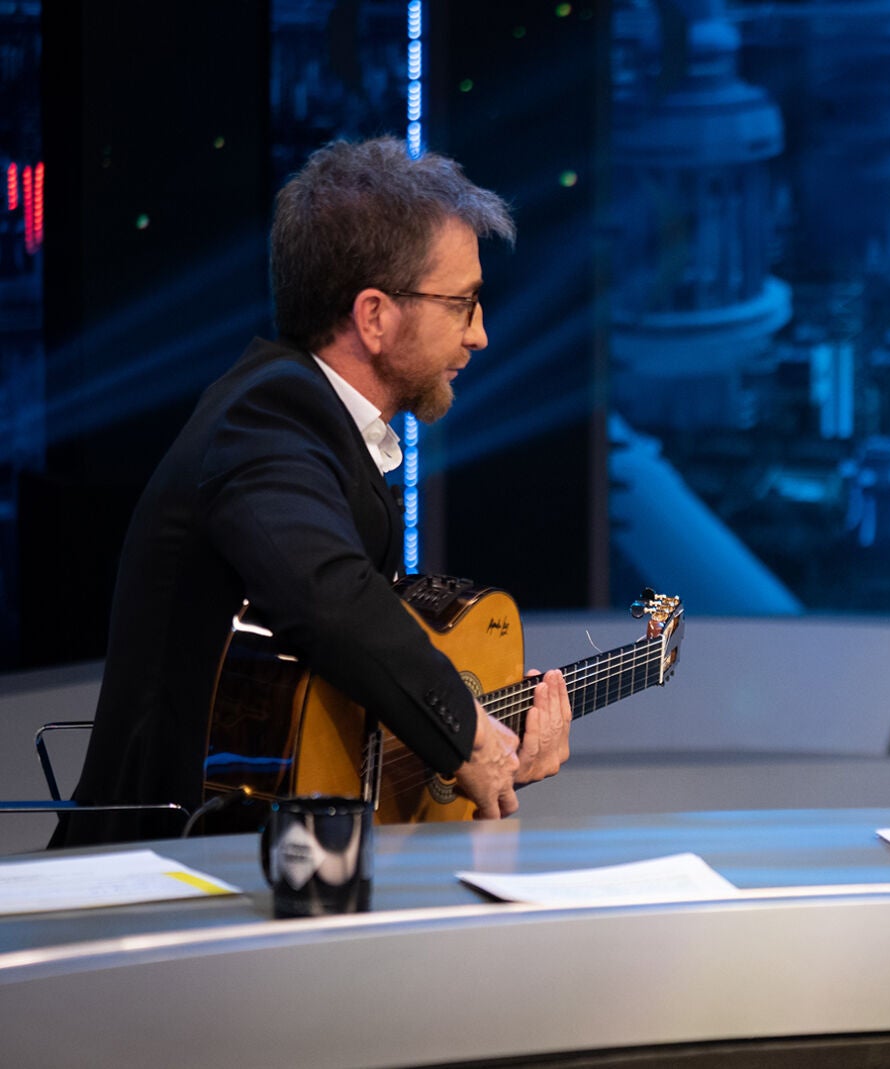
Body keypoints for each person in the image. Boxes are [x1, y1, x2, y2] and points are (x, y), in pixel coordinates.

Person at [53, 138, 572, 846]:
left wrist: (494, 733)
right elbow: (329, 598)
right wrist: (466, 732)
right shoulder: (265, 417)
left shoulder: (309, 424)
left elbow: (339, 698)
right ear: (374, 316)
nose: (480, 335)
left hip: (256, 859)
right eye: (463, 304)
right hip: (158, 875)